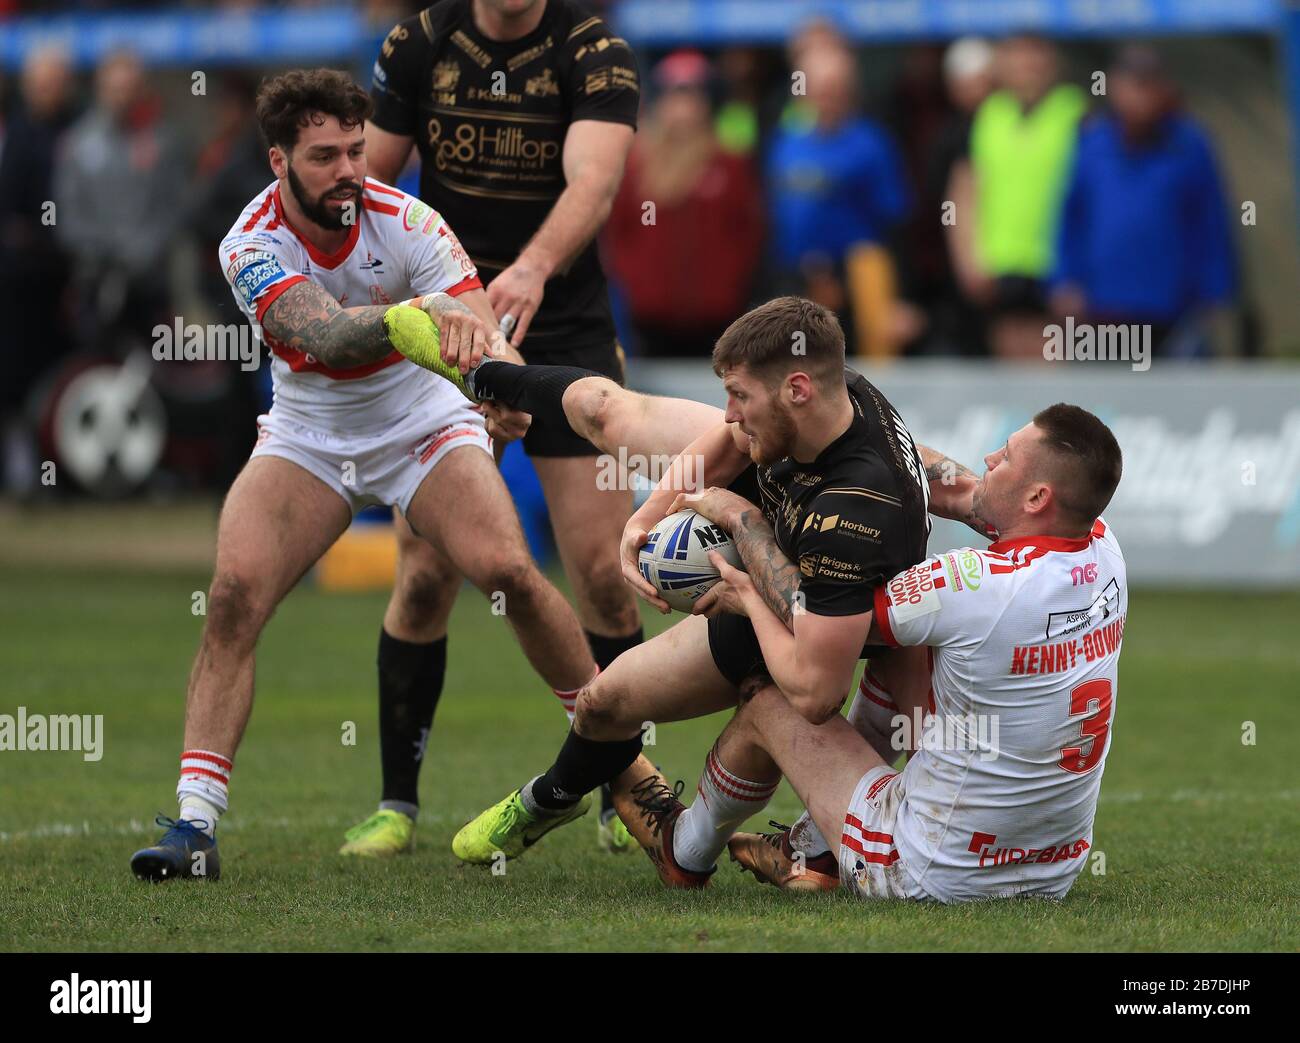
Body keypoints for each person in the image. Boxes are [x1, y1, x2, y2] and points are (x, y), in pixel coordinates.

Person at [128, 68, 598, 882]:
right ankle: (195, 828)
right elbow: (328, 335)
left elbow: (483, 332)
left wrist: (503, 391)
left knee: (510, 573)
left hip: (423, 421)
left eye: (355, 149)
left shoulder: (408, 218)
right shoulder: (248, 242)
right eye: (324, 156)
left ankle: (627, 766)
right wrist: (417, 320)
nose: (349, 169)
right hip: (312, 432)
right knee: (235, 592)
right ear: (278, 162)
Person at [444, 296, 952, 883]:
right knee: (599, 705)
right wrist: (647, 519)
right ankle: (557, 798)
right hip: (777, 575)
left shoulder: (854, 511)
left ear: (797, 390)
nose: (729, 412)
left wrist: (743, 561)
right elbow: (729, 439)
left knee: (773, 705)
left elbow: (817, 692)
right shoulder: (839, 393)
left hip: (818, 623)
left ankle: (695, 845)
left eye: (740, 396)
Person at [346, 0, 644, 856]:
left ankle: (616, 789)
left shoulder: (594, 49)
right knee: (426, 570)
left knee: (602, 569)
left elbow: (594, 180)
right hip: (453, 326)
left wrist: (532, 270)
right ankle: (396, 804)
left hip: (563, 323)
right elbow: (364, 180)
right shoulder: (420, 44)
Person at [719, 406, 1126, 902]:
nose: (989, 457)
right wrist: (878, 458)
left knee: (766, 701)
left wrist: (742, 525)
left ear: (1038, 496)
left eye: (1007, 457)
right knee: (901, 653)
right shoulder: (1104, 549)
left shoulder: (967, 584)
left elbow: (821, 623)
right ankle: (811, 849)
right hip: (1051, 874)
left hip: (930, 871)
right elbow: (961, 495)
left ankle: (684, 850)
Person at [1050, 45, 1236, 359]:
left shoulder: (1190, 144)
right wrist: (1064, 279)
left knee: (1174, 400)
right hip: (1103, 308)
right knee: (1109, 401)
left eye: (1149, 84)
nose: (1140, 95)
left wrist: (1215, 290)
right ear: (1113, 88)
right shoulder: (1091, 141)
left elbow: (1212, 220)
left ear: (1164, 90)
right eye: (1132, 83)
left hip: (1174, 307)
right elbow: (1071, 216)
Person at [603, 49, 764, 359]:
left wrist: (729, 284)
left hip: (716, 314)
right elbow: (617, 232)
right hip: (650, 316)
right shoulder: (636, 164)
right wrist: (637, 284)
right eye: (675, 96)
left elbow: (748, 230)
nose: (683, 108)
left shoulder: (728, 161)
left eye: (692, 96)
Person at [966, 35, 1086, 358]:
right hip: (1002, 261)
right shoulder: (991, 114)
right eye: (1019, 60)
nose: (1028, 69)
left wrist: (1077, 270)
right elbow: (972, 189)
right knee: (1008, 362)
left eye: (1036, 60)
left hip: (1053, 262)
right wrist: (973, 257)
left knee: (1049, 362)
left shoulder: (1074, 111)